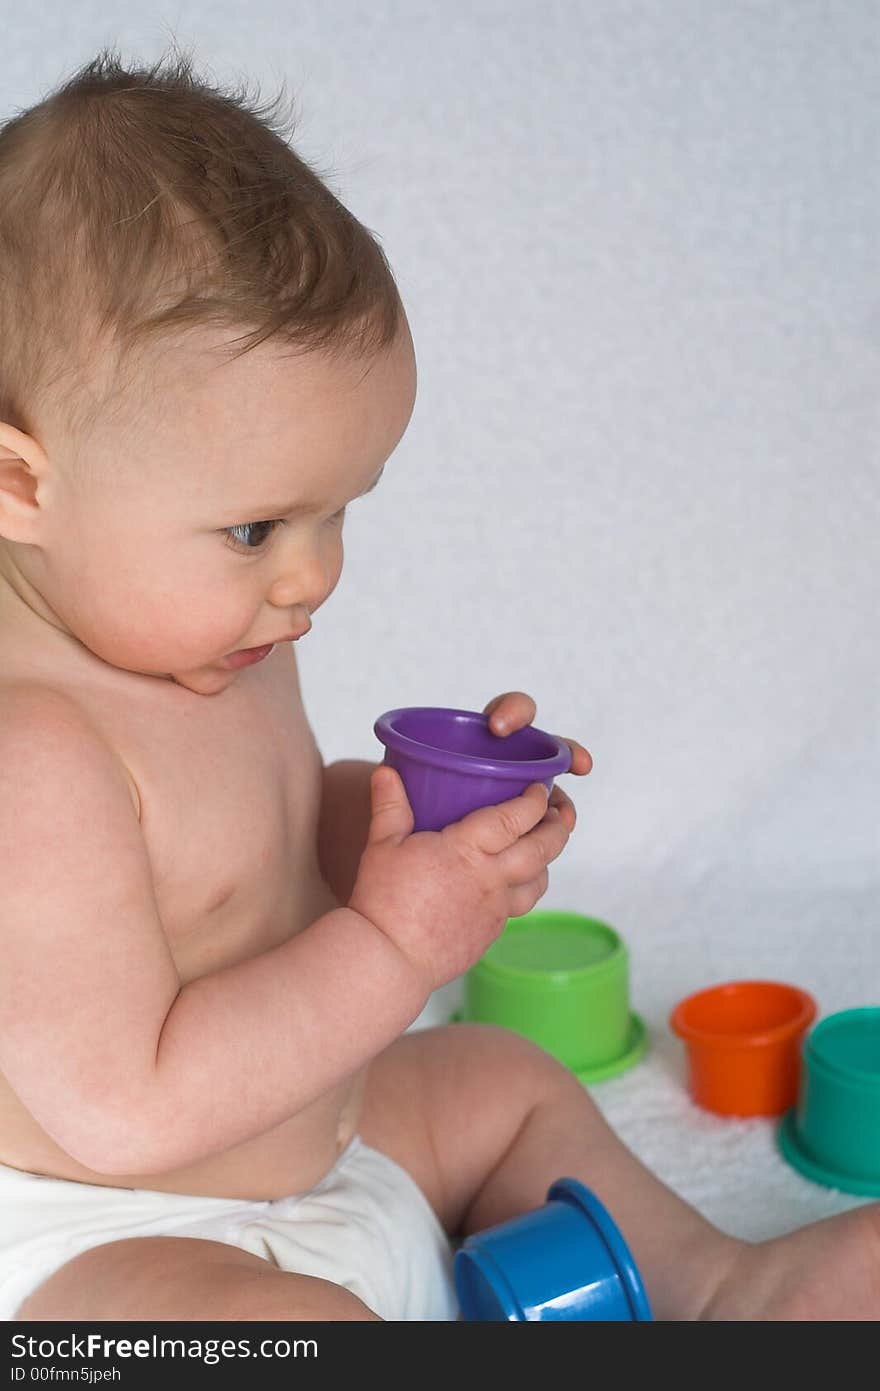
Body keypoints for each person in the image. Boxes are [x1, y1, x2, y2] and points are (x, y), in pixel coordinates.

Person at [0, 48, 877, 1325]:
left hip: (331, 1138)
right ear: (22, 484)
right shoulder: (33, 755)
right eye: (256, 529)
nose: (310, 577)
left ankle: (719, 1285)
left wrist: (420, 830)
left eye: (338, 509)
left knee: (495, 1077)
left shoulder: (224, 633)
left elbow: (256, 858)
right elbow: (131, 1104)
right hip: (114, 1231)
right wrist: (397, 940)